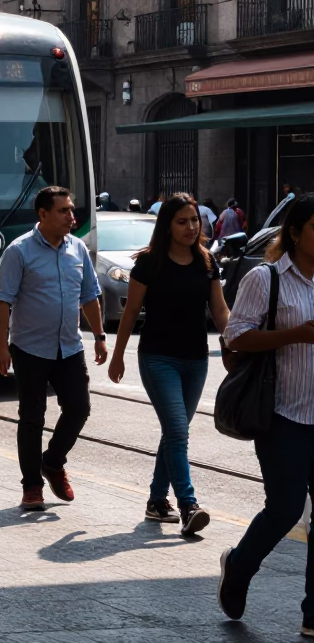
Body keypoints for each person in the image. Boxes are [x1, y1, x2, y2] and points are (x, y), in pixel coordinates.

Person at [217, 195, 314, 634]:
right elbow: (236, 337)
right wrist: (296, 335)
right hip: (282, 414)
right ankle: (239, 567)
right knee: (285, 509)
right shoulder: (266, 278)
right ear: (295, 232)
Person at [108, 193, 230, 534]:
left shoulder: (207, 262)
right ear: (168, 226)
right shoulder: (149, 263)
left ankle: (156, 501)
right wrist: (118, 356)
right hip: (158, 358)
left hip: (196, 360)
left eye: (195, 221)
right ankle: (188, 504)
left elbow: (219, 311)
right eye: (183, 222)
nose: (192, 227)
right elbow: (130, 312)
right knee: (177, 430)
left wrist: (237, 339)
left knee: (174, 432)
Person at [0, 186, 108, 511]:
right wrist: (1, 348)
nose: (71, 217)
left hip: (69, 347)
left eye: (71, 210)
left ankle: (53, 461)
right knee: (32, 417)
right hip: (29, 348)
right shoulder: (19, 251)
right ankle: (32, 487)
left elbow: (89, 295)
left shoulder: (77, 249)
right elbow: (2, 301)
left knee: (79, 408)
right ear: (43, 215)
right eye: (63, 211)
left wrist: (99, 335)